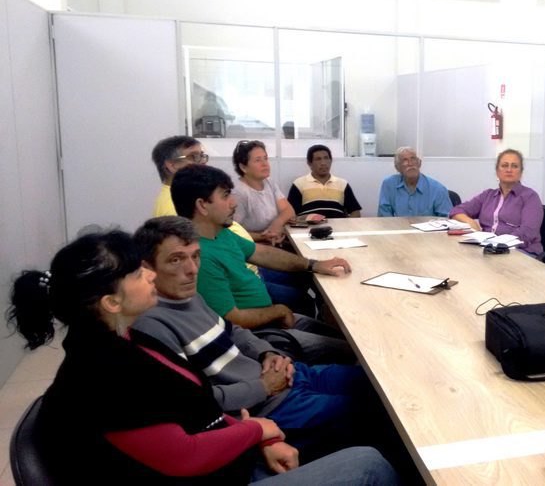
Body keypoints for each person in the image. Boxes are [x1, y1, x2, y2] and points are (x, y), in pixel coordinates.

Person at [5, 230, 397, 485]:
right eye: (137, 273)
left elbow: (195, 408)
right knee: (368, 464)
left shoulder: (123, 342)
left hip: (231, 457)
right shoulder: (101, 372)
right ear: (110, 302)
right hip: (209, 474)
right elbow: (184, 456)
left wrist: (255, 437)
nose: (151, 275)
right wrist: (256, 431)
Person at [131, 216, 392, 463]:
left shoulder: (190, 297)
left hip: (286, 376)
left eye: (196, 256)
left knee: (378, 385)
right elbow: (199, 403)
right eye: (176, 260)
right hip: (270, 405)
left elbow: (233, 331)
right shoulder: (152, 327)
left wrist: (267, 353)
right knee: (374, 411)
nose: (191, 269)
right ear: (147, 267)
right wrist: (264, 387)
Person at [171, 164, 355, 364]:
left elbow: (262, 253)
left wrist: (314, 264)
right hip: (261, 334)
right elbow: (232, 318)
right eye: (225, 196)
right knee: (354, 352)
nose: (234, 203)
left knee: (348, 337)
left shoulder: (220, 233)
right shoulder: (200, 257)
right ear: (202, 206)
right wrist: (278, 310)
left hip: (271, 319)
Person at [151, 135, 260, 276]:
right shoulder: (173, 207)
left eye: (202, 156)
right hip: (239, 275)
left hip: (249, 262)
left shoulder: (188, 193)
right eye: (193, 157)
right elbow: (205, 259)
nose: (203, 163)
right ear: (172, 166)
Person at [449, 149, 544, 256]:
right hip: (488, 249)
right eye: (504, 165)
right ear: (497, 172)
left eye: (514, 166)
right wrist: (470, 222)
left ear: (521, 172)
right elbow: (456, 210)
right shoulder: (488, 195)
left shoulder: (530, 197)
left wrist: (498, 243)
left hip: (521, 251)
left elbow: (528, 231)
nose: (509, 170)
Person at [231, 140, 296, 245]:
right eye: (258, 160)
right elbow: (232, 232)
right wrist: (265, 236)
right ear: (243, 167)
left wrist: (276, 226)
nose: (265, 164)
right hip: (252, 245)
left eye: (265, 158)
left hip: (275, 239)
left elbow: (288, 210)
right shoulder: (238, 193)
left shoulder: (269, 182)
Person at [287, 145, 362, 221]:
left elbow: (355, 212)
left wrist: (345, 225)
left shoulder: (342, 184)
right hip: (309, 227)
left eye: (326, 158)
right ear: (309, 163)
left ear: (331, 161)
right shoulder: (299, 184)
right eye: (318, 159)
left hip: (337, 226)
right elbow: (290, 215)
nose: (323, 163)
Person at [377, 147, 452, 217]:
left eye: (413, 159)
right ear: (397, 167)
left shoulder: (438, 189)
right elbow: (384, 217)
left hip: (427, 227)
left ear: (419, 163)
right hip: (399, 226)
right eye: (405, 160)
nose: (410, 164)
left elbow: (446, 220)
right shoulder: (389, 184)